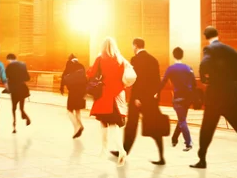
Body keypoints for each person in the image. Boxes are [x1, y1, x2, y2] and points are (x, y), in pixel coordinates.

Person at [190, 27, 237, 174]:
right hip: (231, 96)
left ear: (205, 36)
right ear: (217, 35)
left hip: (215, 97)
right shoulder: (231, 51)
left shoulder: (209, 49)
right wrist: (234, 85)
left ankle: (202, 160)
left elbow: (203, 65)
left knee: (206, 129)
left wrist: (205, 79)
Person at [121, 38, 165, 165]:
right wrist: (154, 98)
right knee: (155, 128)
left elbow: (138, 80)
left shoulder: (135, 60)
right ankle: (161, 156)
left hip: (138, 99)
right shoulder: (153, 60)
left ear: (135, 46)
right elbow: (156, 82)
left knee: (131, 126)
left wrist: (137, 97)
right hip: (151, 99)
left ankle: (124, 151)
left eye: (132, 46)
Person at [87, 37, 130, 166]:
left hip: (105, 94)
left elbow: (91, 74)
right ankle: (121, 150)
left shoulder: (100, 58)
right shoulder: (120, 59)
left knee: (104, 122)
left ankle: (104, 150)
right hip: (118, 95)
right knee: (114, 124)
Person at [157, 46, 195, 152]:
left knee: (182, 120)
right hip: (188, 98)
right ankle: (174, 139)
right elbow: (194, 83)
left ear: (174, 55)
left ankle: (188, 143)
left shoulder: (171, 68)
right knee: (182, 119)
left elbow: (163, 82)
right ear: (182, 55)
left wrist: (156, 92)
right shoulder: (189, 68)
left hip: (178, 97)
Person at [60, 53, 87, 138]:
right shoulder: (81, 66)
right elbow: (85, 79)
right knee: (77, 110)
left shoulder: (69, 64)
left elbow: (64, 76)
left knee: (69, 110)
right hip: (81, 91)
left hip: (73, 91)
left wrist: (62, 87)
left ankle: (77, 126)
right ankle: (80, 126)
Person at [5, 53, 31, 134]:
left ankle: (14, 126)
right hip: (22, 88)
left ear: (9, 59)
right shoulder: (23, 64)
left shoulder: (9, 66)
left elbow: (5, 77)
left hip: (14, 89)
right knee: (21, 108)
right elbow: (28, 78)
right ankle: (26, 117)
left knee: (14, 108)